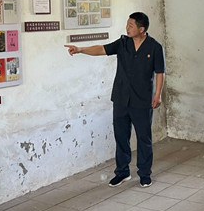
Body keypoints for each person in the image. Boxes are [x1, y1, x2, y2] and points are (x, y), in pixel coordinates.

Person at [64, 12, 165, 188]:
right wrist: (80, 50)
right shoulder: (123, 43)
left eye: (131, 25)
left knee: (144, 138)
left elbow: (160, 72)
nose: (127, 28)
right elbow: (101, 49)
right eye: (127, 24)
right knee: (121, 136)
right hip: (121, 98)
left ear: (141, 29)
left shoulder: (154, 47)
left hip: (142, 100)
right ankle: (122, 172)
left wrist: (158, 94)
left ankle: (144, 174)